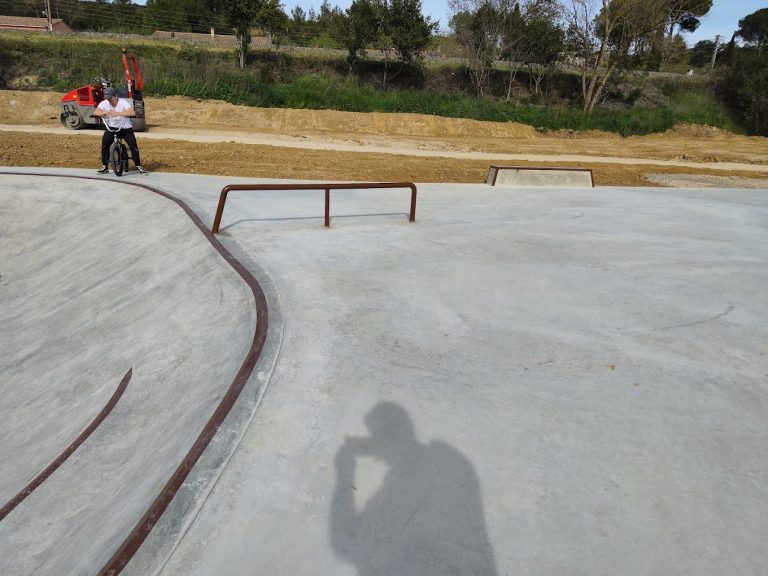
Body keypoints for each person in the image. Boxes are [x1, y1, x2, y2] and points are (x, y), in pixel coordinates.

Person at [330, 402, 497, 575]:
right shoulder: (394, 487)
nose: (377, 453)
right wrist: (345, 475)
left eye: (378, 439)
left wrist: (345, 475)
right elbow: (350, 545)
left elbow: (349, 546)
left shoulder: (437, 465)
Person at [94, 86, 147, 175]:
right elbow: (96, 112)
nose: (109, 100)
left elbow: (132, 112)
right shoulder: (105, 103)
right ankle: (105, 166)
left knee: (133, 146)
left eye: (110, 98)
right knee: (104, 145)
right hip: (112, 128)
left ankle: (138, 166)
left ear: (115, 96)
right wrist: (105, 112)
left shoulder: (123, 103)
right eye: (107, 98)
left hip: (125, 128)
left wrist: (118, 113)